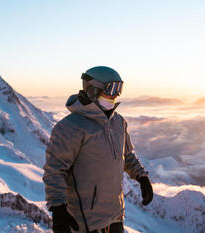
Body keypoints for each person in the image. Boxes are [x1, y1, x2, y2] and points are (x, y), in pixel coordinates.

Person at [43, 66, 153, 233]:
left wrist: (142, 176)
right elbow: (55, 171)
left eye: (119, 89)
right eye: (112, 89)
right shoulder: (70, 127)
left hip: (116, 216)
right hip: (86, 223)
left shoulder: (118, 122)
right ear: (93, 90)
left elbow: (127, 155)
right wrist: (58, 209)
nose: (116, 95)